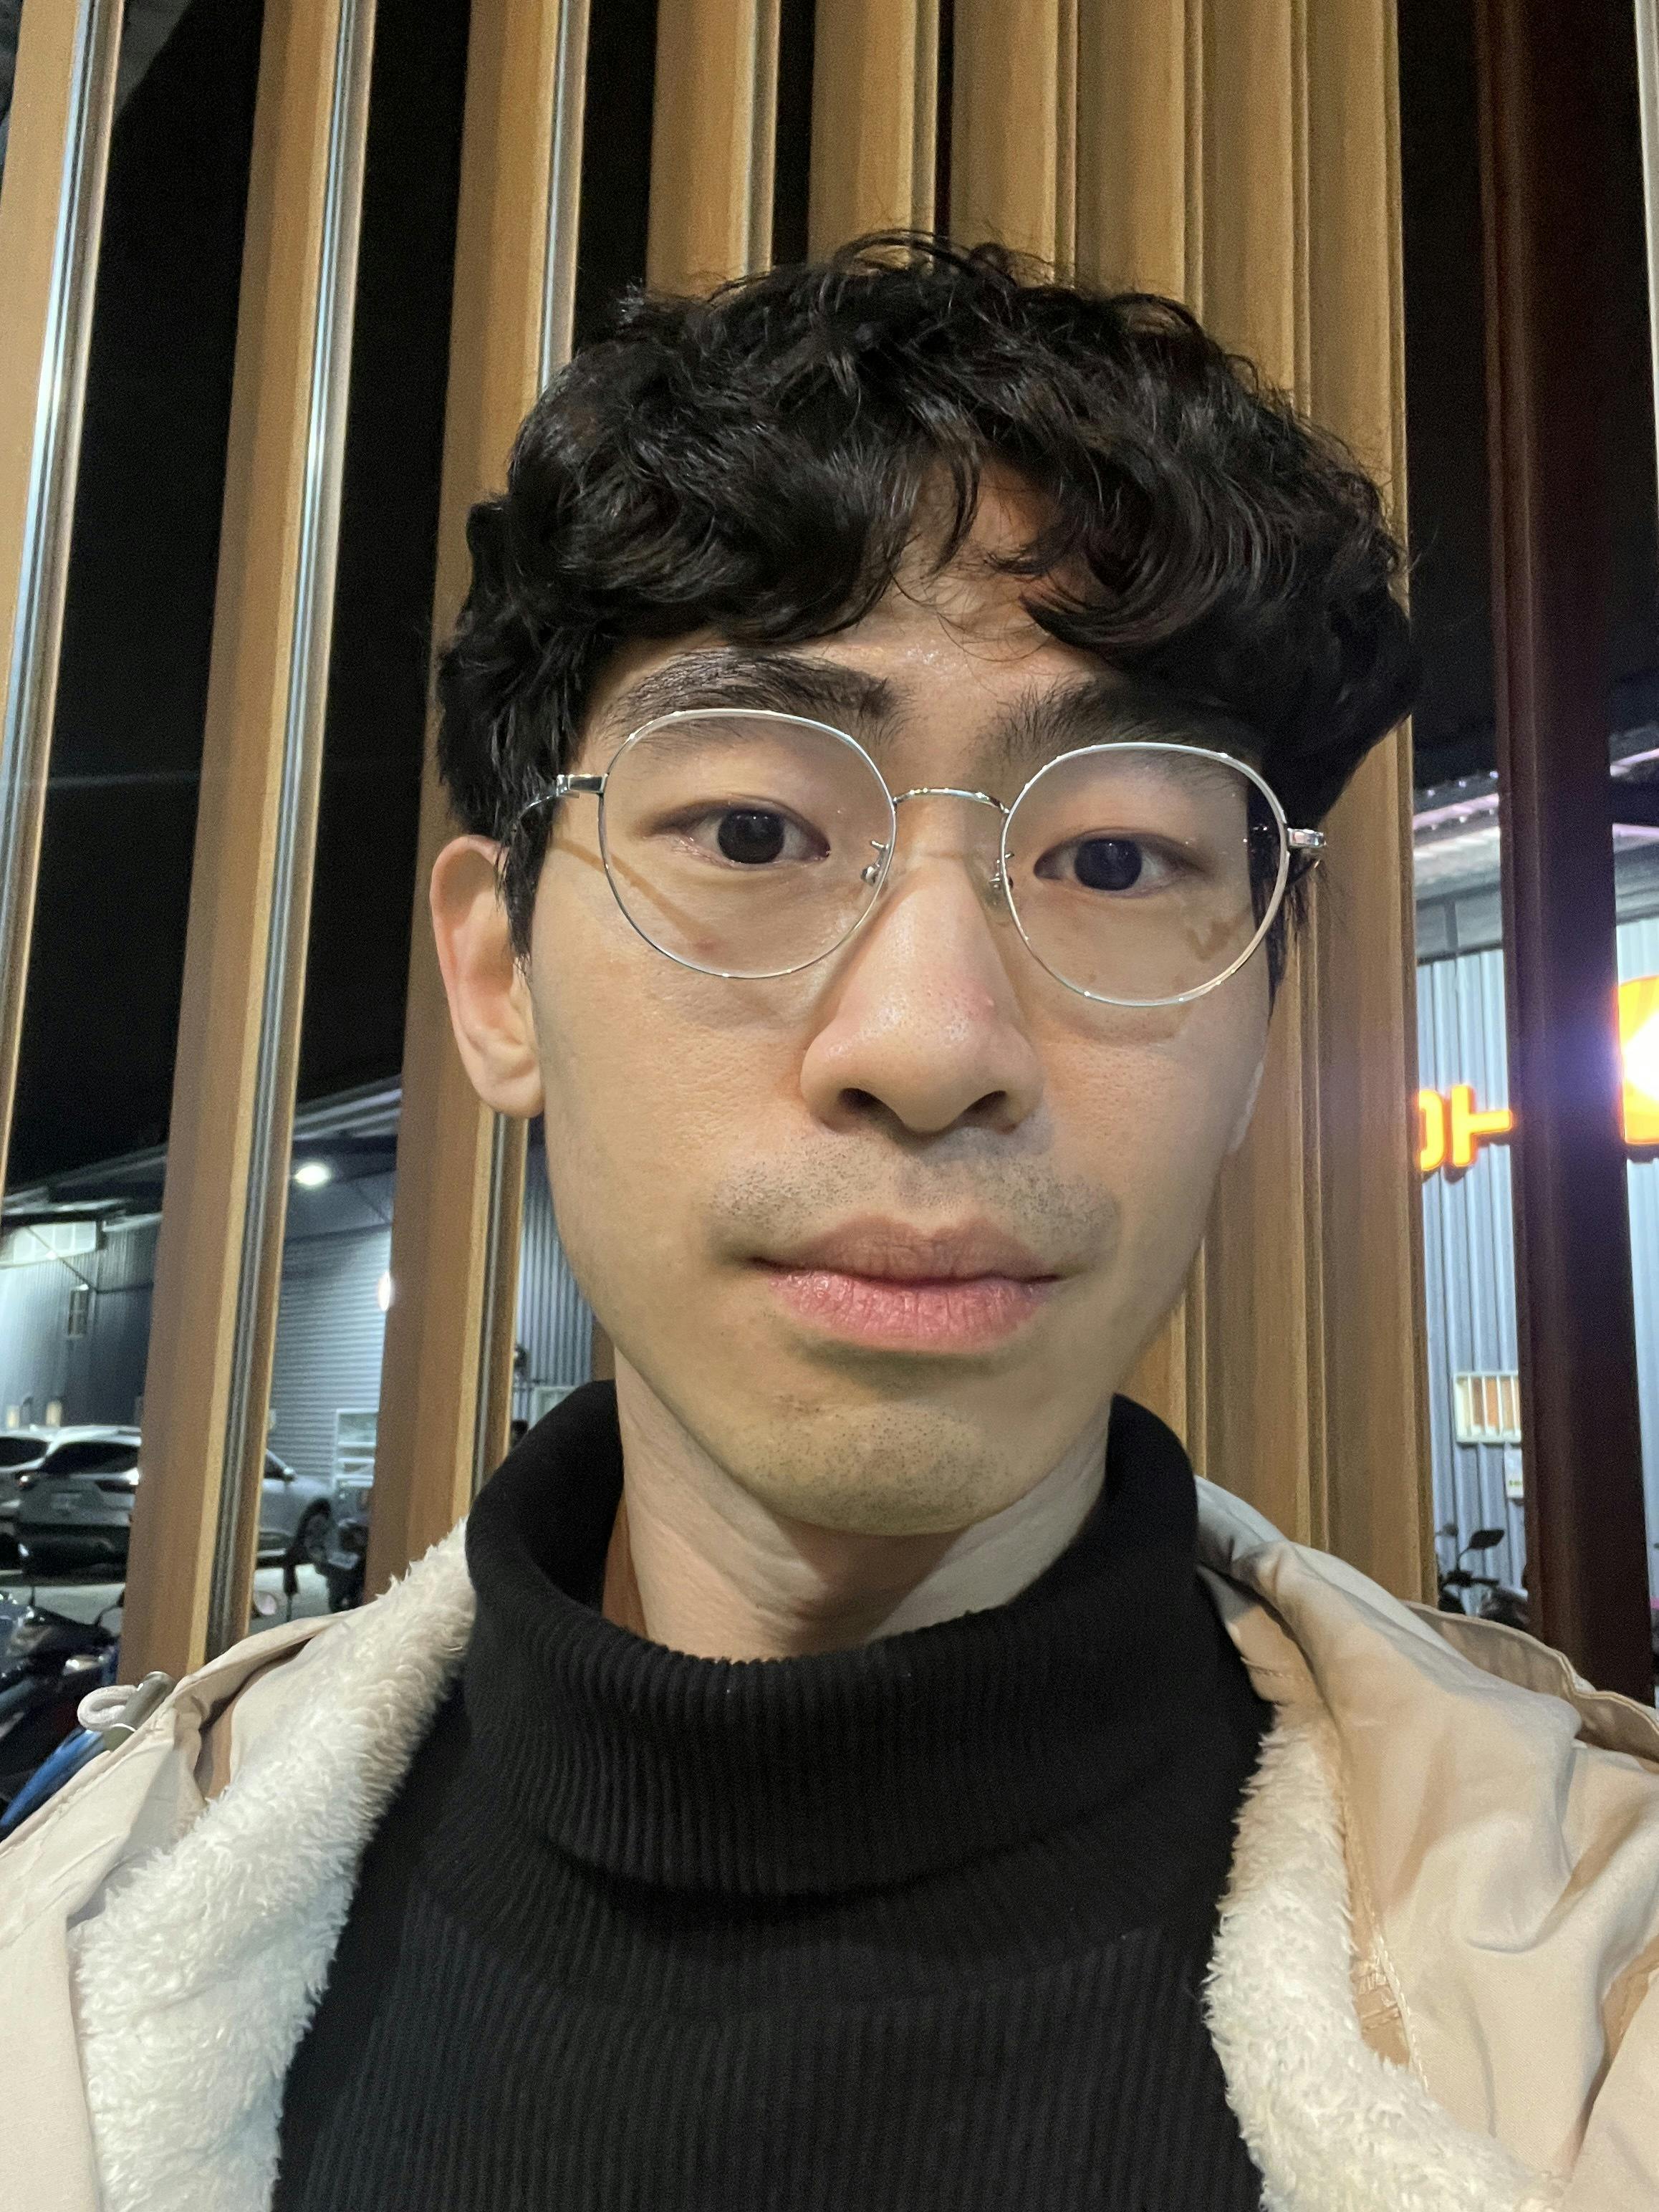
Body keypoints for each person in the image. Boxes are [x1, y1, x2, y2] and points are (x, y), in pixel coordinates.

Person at [3, 236, 1655, 2212]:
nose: (931, 1043)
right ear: (498, 978)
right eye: (751, 831)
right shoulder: (62, 1974)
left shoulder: (1598, 2004)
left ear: (1259, 1014)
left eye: (1117, 857)